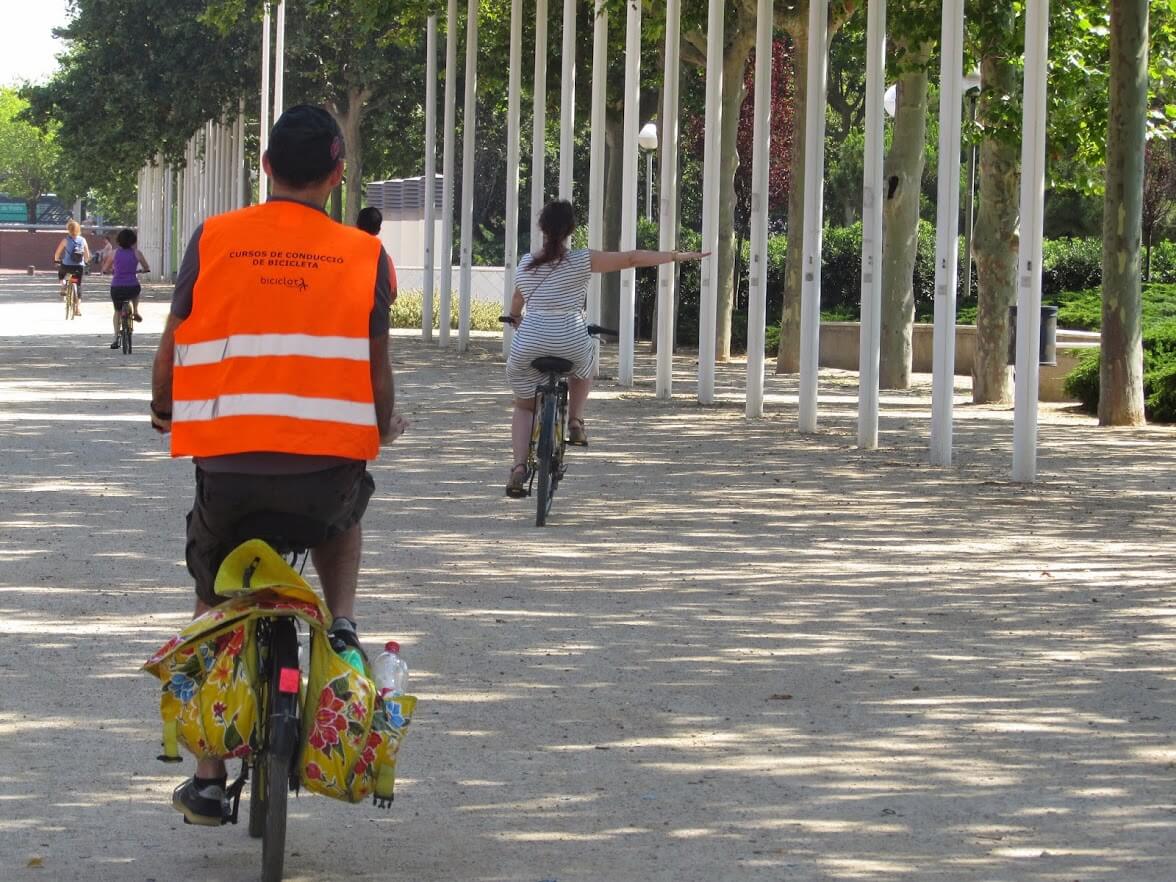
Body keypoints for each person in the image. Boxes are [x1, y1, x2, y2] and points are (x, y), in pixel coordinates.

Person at [149, 104, 407, 826]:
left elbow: (172, 345)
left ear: (264, 167)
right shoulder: (365, 255)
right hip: (323, 474)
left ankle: (206, 775)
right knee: (347, 505)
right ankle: (345, 622)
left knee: (212, 597)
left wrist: (163, 407)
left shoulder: (216, 238)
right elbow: (378, 374)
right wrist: (377, 429)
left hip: (229, 470)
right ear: (337, 172)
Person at [503, 199, 706, 497]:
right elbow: (631, 258)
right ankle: (575, 420)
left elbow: (517, 303)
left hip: (530, 339)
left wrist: (515, 318)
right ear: (571, 229)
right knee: (585, 364)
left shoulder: (525, 264)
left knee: (524, 405)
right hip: (570, 336)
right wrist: (676, 255)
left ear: (541, 228)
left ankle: (519, 467)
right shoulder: (583, 259)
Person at [101, 228, 149, 348]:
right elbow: (146, 267)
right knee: (136, 290)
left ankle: (116, 338)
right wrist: (143, 270)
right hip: (132, 286)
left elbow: (105, 269)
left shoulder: (114, 253)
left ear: (119, 241)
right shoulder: (137, 253)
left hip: (117, 287)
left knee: (117, 311)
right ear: (133, 241)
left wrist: (107, 271)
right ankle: (136, 311)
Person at [355, 205, 398, 304]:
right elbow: (393, 293)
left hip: (351, 315)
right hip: (377, 316)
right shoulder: (385, 259)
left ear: (357, 226)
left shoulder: (346, 254)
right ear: (378, 230)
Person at [53, 220, 90, 313]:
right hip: (79, 267)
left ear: (68, 229)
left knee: (61, 274)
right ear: (79, 229)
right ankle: (78, 308)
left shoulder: (65, 240)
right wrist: (85, 262)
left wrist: (56, 260)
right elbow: (87, 256)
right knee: (78, 285)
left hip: (67, 265)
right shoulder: (83, 240)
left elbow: (57, 253)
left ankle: (64, 285)